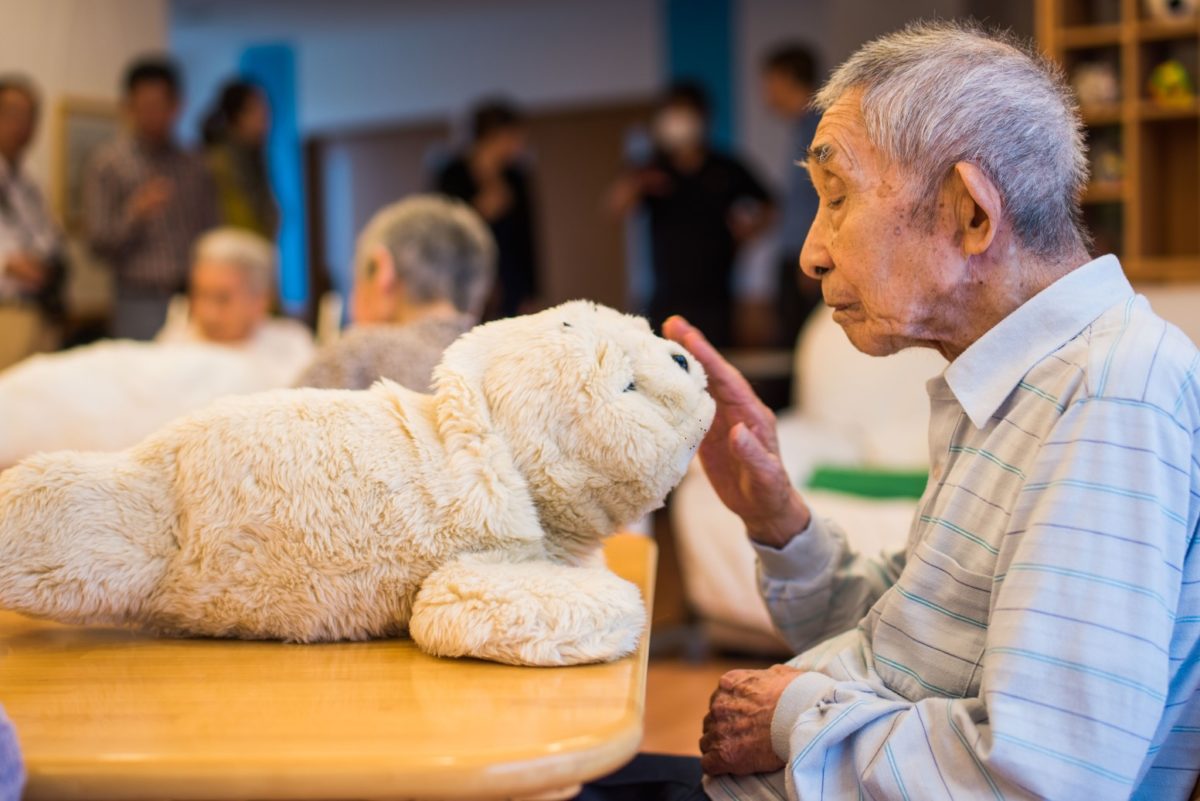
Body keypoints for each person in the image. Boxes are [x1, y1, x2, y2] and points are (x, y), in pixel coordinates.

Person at [580, 21, 1200, 800]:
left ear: (970, 214)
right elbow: (906, 641)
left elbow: (1047, 778)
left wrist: (790, 716)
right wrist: (780, 520)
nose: (811, 252)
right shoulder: (1015, 382)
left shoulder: (1110, 394)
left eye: (837, 198)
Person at [610, 82, 774, 349]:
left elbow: (770, 205)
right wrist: (637, 182)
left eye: (684, 114)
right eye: (671, 114)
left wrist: (747, 234)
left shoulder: (726, 166)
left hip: (715, 296)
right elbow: (615, 209)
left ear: (702, 118)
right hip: (666, 294)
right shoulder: (651, 167)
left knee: (714, 369)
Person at [296, 195, 495, 392]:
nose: (351, 307)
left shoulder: (356, 359)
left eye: (355, 284)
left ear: (383, 271)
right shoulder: (501, 367)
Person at [83, 56, 217, 341]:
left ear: (176, 106)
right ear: (127, 107)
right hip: (137, 297)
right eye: (144, 106)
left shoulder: (193, 164)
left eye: (159, 106)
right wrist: (134, 213)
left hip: (192, 294)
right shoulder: (109, 164)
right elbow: (97, 243)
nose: (152, 115)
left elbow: (211, 230)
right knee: (141, 380)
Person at [156, 227, 313, 386]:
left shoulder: (291, 348)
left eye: (222, 299)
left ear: (260, 301)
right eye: (200, 294)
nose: (208, 312)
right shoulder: (173, 344)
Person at [434, 98, 538, 319]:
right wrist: (479, 210)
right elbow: (441, 228)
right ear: (494, 135)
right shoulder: (451, 175)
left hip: (510, 284)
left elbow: (528, 238)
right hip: (462, 280)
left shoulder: (517, 178)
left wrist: (532, 292)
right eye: (514, 137)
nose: (518, 145)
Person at [0, 74, 65, 370]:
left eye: (30, 115)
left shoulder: (30, 178)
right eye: (12, 112)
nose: (22, 124)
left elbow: (49, 236)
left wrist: (44, 263)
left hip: (40, 309)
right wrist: (8, 263)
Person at [760, 44, 823, 347]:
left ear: (786, 78)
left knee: (803, 343)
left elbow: (825, 197)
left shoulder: (819, 126)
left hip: (806, 259)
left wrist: (815, 260)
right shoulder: (800, 128)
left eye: (769, 81)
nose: (766, 92)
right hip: (793, 255)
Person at [200, 79, 278, 239]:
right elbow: (239, 224)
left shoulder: (253, 156)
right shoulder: (219, 161)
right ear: (237, 117)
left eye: (266, 111)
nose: (265, 119)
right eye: (256, 111)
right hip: (233, 255)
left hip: (252, 252)